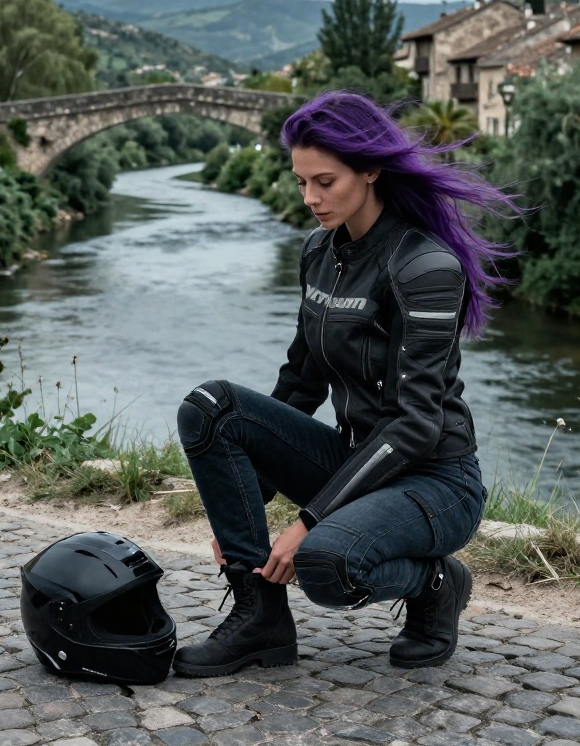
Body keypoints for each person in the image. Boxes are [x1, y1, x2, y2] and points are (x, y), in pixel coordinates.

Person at [173, 90, 519, 678]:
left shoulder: (424, 264)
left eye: (325, 182)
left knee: (325, 564)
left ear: (370, 169)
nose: (310, 198)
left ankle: (436, 583)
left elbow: (416, 424)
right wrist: (244, 513)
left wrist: (305, 523)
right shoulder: (318, 252)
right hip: (356, 460)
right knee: (210, 406)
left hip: (436, 480)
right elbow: (301, 381)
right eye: (302, 182)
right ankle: (260, 622)